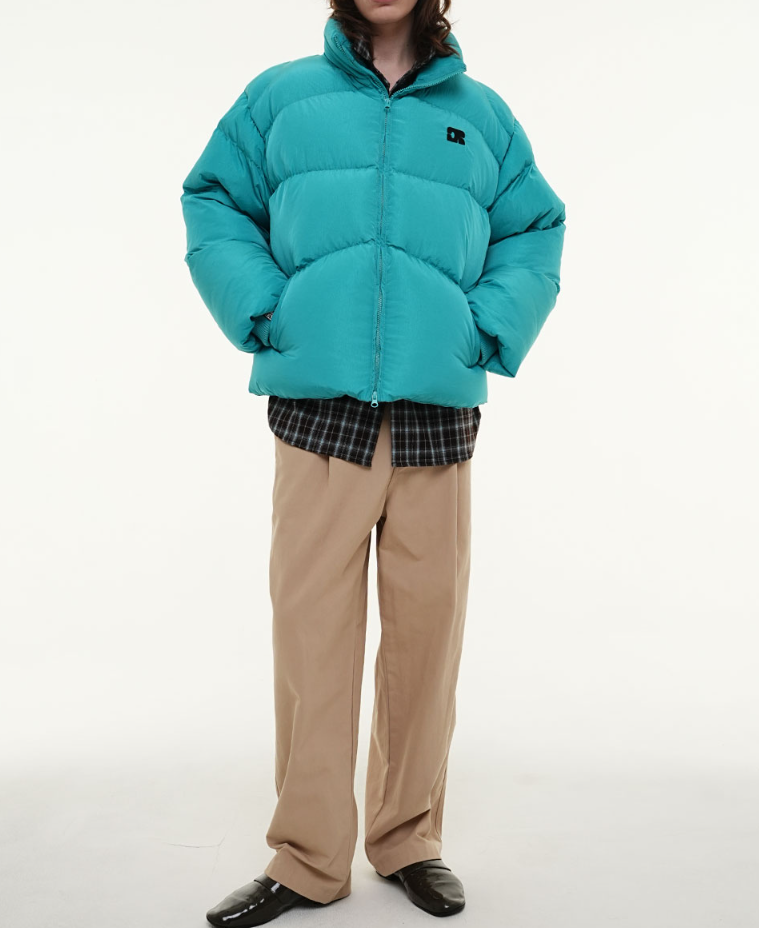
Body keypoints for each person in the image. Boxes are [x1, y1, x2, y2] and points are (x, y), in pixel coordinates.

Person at [180, 1, 566, 923]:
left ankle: (408, 840)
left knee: (427, 640)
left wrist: (486, 328)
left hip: (436, 414)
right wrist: (264, 310)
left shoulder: (482, 115)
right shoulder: (281, 98)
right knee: (312, 640)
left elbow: (535, 227)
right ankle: (308, 859)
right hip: (319, 414)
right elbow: (213, 199)